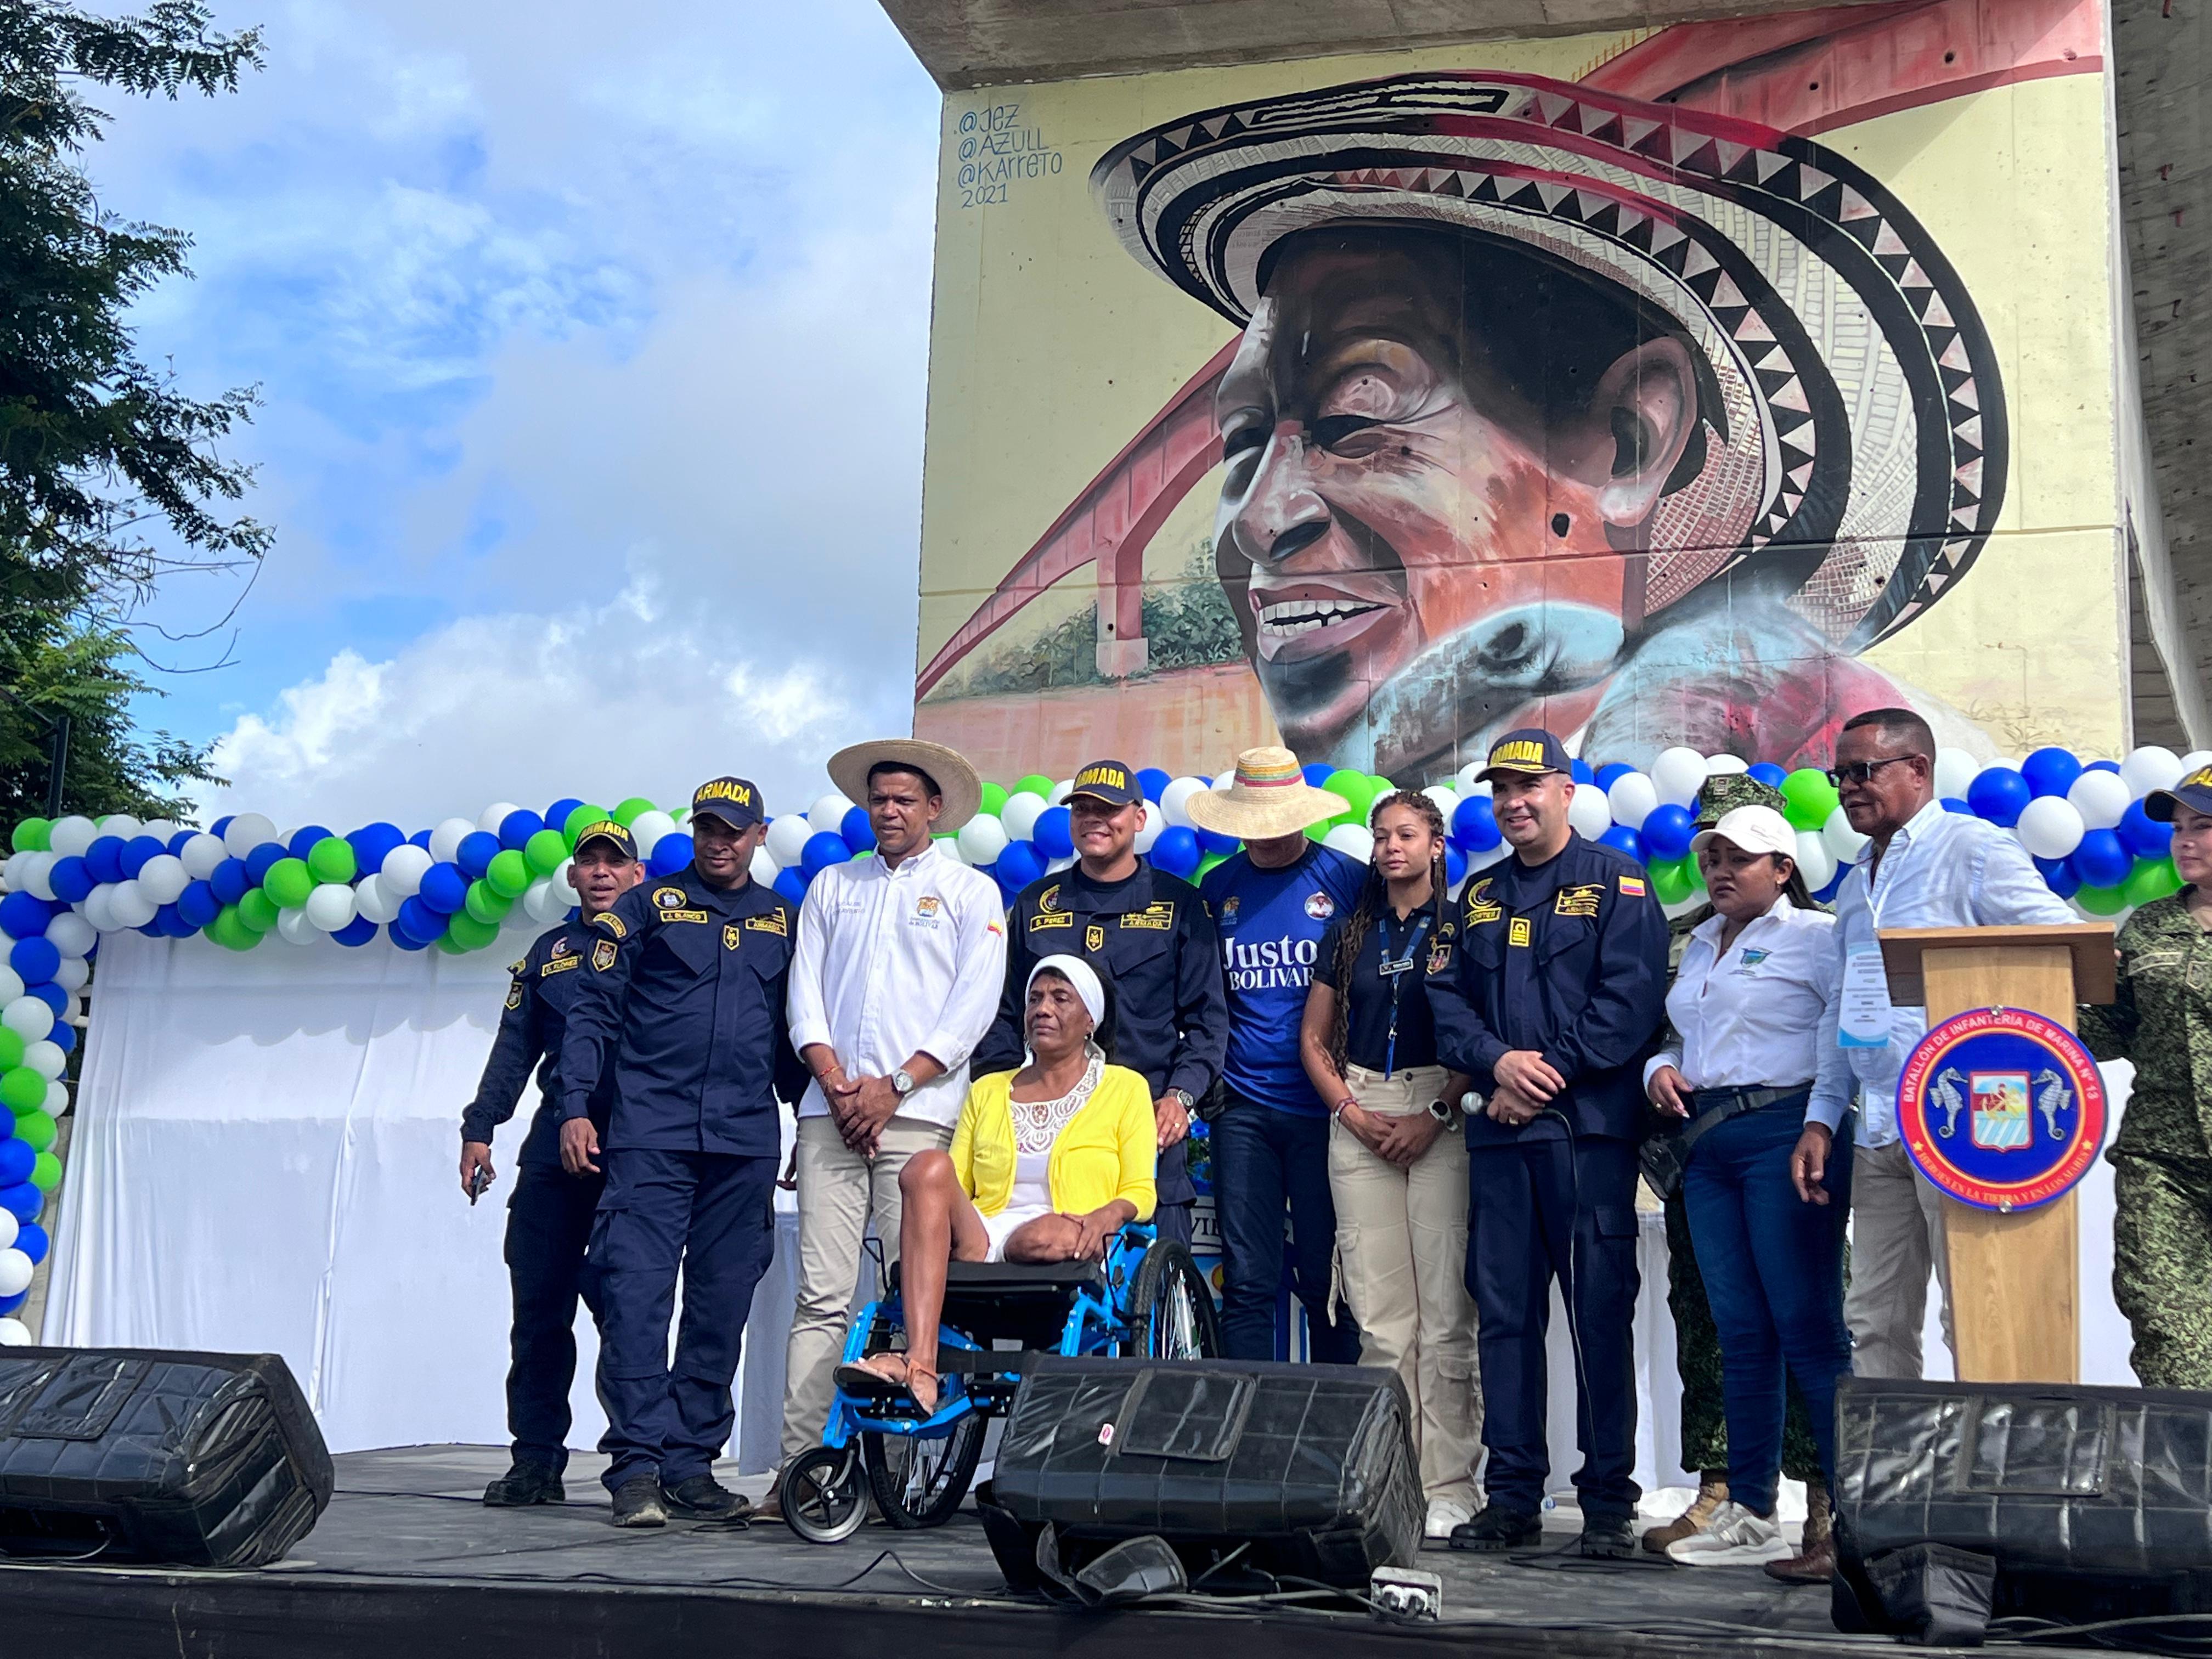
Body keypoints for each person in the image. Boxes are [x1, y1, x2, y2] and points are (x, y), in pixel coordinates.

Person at [1085, 70, 2005, 777]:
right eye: (1243, 441)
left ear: (1633, 438)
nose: (1255, 516)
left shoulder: (1819, 747)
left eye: (1358, 419)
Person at [1425, 727, 1669, 1560]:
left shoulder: (1618, 882)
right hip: (1498, 1139)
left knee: (1598, 1319)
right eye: (1501, 790)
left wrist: (1544, 1073)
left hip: (1585, 1139)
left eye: (1529, 787)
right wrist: (1498, 1063)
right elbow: (1445, 1002)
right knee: (1504, 1320)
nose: (1513, 803)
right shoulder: (1478, 895)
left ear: (1567, 792)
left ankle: (1606, 1505)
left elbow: (1629, 1002)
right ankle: (1513, 1497)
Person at [555, 776, 808, 1528]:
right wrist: (574, 1108)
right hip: (650, 1137)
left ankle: (691, 1465)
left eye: (733, 830)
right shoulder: (645, 907)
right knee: (635, 1298)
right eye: (707, 828)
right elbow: (591, 1015)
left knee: (720, 1305)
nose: (718, 842)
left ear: (759, 835)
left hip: (743, 1144)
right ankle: (634, 1468)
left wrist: (809, 1122)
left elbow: (795, 1034)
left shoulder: (783, 920)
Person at [1798, 713, 2075, 1370]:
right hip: (1879, 1128)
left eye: (1864, 772)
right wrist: (1821, 1117)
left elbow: (2057, 951)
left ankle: (1991, 1472)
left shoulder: (1973, 848)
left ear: (1918, 771)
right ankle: (1899, 1474)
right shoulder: (1855, 882)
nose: (1847, 789)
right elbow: (1844, 1005)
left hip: (1963, 1127)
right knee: (1873, 1319)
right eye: (1841, 776)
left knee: (1976, 1313)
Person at [775, 738, 1007, 1505]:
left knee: (905, 1291)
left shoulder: (971, 893)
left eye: (906, 800)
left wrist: (895, 1086)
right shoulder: (833, 886)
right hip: (829, 1113)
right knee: (821, 1296)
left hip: (920, 1115)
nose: (890, 811)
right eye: (880, 800)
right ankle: (803, 1473)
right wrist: (839, 1085)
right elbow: (803, 995)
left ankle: (889, 1477)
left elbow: (971, 1010)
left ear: (934, 809)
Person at [1642, 805, 1850, 1567]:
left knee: (1810, 1329)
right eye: (1713, 858)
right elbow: (1678, 1036)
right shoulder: (1696, 942)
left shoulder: (1817, 938)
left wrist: (1823, 1125)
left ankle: (1846, 1514)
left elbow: (1840, 1037)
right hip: (1708, 1143)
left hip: (1786, 1129)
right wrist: (1655, 1068)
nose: (1722, 871)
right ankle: (1753, 1509)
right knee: (1741, 1332)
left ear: (1784, 870)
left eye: (1742, 859)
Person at [843, 957, 1156, 1415]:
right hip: (984, 1235)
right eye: (1034, 999)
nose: (1042, 1009)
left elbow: (1141, 1190)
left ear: (1090, 1019)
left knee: (1042, 1236)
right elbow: (958, 1184)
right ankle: (921, 1365)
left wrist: (1110, 1213)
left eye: (1059, 998)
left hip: (1070, 1231)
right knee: (924, 1167)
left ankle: (914, 1362)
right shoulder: (989, 1089)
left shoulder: (1124, 1088)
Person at [1300, 787, 1481, 1539]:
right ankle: (1393, 1474)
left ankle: (1450, 1483)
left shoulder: (1467, 926)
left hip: (1441, 1106)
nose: (1390, 848)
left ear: (1437, 844)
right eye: (1380, 837)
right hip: (1362, 1108)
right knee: (1380, 1317)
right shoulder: (1350, 931)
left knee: (1445, 1315)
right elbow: (1313, 1040)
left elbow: (1484, 1035)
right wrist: (1350, 1111)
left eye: (1405, 835)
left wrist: (1437, 1115)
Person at [458, 819, 643, 1507]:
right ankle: (535, 1460)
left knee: (628, 1312)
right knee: (538, 1311)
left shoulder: (658, 942)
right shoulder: (551, 951)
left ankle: (640, 1464)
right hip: (552, 1151)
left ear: (637, 876)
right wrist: (481, 1128)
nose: (600, 873)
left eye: (614, 863)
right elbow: (514, 1050)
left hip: (635, 1151)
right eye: (588, 862)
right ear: (572, 877)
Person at [974, 758, 1224, 1246]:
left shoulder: (1179, 905)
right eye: (1083, 809)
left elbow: (1207, 1023)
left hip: (1146, 1117)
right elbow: (1003, 1016)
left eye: (1109, 810)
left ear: (1138, 819)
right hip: (1045, 1123)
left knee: (1153, 1290)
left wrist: (1181, 1097)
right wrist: (999, 1100)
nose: (1095, 820)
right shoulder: (1033, 903)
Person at [1187, 747, 1368, 1364]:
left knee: (1326, 1279)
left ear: (1300, 815)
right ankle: (1244, 1439)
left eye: (1273, 821)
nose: (1262, 836)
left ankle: (1333, 1440)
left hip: (1326, 1108)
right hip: (1243, 1110)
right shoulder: (1217, 889)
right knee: (1248, 1280)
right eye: (1250, 824)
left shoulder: (1346, 877)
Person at [2080, 764, 2212, 1389]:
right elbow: (2110, 1031)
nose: (2184, 840)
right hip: (2164, 1159)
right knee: (2164, 1323)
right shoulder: (2150, 925)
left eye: (2203, 826)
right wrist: (2059, 999)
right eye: (2179, 828)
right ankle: (2184, 1481)